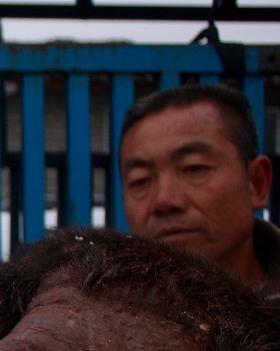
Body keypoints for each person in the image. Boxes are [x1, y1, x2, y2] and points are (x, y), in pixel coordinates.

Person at [119, 82, 278, 299]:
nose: (164, 201)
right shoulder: (95, 312)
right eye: (141, 181)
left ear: (256, 183)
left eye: (194, 168)